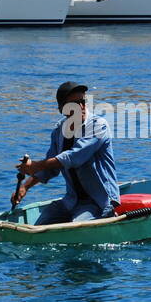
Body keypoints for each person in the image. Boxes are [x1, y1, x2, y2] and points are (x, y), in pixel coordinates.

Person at [12, 81, 120, 224]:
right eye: (74, 104)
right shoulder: (59, 131)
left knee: (76, 227)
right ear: (62, 108)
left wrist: (36, 165)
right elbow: (51, 168)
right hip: (71, 201)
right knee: (39, 226)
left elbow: (73, 157)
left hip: (98, 202)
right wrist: (25, 186)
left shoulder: (98, 126)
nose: (81, 107)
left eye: (83, 101)